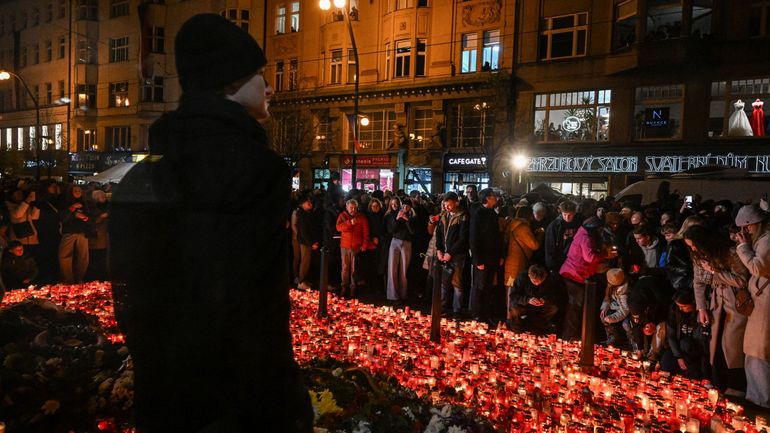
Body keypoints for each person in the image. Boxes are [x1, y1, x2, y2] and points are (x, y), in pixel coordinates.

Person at [109, 14, 312, 433]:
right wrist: (285, 402)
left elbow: (132, 292)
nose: (270, 87)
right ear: (230, 81)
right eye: (260, 75)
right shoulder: (257, 169)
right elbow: (258, 304)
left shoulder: (147, 172)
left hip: (167, 390)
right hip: (238, 400)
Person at [684, 224, 749, 396]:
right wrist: (701, 308)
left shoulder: (730, 252)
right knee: (715, 345)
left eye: (694, 245)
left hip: (734, 303)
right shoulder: (698, 256)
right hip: (716, 304)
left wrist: (715, 271)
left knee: (732, 346)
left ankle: (736, 387)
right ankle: (718, 383)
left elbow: (742, 280)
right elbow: (698, 282)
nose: (693, 249)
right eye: (690, 246)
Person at [734, 204, 770, 408]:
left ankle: (762, 401)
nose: (745, 231)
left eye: (747, 227)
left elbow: (758, 267)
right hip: (760, 301)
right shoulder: (761, 239)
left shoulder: (767, 241)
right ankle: (756, 396)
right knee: (754, 351)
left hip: (765, 303)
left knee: (760, 351)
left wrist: (742, 247)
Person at [559, 216, 611, 340]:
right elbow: (590, 257)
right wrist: (604, 255)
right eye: (599, 229)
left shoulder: (583, 234)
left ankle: (572, 335)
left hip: (576, 273)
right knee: (575, 307)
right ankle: (570, 336)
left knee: (576, 306)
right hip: (574, 274)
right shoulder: (585, 238)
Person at [469, 188, 504, 322]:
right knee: (480, 286)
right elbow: (474, 238)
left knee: (488, 286)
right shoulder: (478, 213)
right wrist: (478, 259)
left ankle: (485, 313)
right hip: (482, 257)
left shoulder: (493, 213)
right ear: (487, 198)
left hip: (492, 257)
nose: (495, 198)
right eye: (493, 196)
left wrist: (500, 255)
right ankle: (477, 313)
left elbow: (497, 237)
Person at [661, 289, 710, 380]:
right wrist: (678, 356)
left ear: (693, 303)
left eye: (683, 306)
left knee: (686, 344)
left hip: (695, 350)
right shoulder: (675, 311)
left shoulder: (701, 314)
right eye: (678, 306)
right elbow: (671, 336)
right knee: (666, 360)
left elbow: (703, 341)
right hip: (680, 349)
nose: (680, 309)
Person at [436, 192, 469, 317]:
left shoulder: (463, 216)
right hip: (444, 253)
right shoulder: (443, 215)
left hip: (457, 254)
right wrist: (439, 249)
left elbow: (463, 238)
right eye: (445, 205)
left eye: (449, 205)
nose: (446, 207)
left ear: (456, 203)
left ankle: (457, 310)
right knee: (444, 283)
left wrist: (450, 252)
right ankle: (442, 307)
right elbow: (438, 234)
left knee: (457, 282)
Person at [507, 264, 560, 334]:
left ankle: (535, 326)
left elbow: (553, 295)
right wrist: (528, 300)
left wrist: (544, 300)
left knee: (553, 308)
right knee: (515, 310)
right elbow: (513, 296)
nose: (537, 284)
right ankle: (517, 329)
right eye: (535, 281)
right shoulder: (521, 278)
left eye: (541, 281)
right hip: (523, 304)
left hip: (539, 305)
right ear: (529, 276)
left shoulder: (549, 279)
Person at [385, 197, 418, 303]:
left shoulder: (413, 217)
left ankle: (403, 295)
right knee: (392, 269)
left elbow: (413, 231)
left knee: (403, 270)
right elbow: (391, 230)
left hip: (407, 242)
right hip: (395, 240)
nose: (405, 207)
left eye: (407, 206)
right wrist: (397, 219)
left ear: (410, 207)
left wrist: (407, 220)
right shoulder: (394, 214)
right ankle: (392, 295)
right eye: (403, 205)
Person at [336, 199, 370, 298]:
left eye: (355, 207)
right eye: (351, 207)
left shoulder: (362, 217)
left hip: (356, 246)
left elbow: (366, 232)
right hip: (345, 246)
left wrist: (364, 244)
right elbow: (338, 227)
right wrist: (349, 223)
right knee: (345, 268)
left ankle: (353, 288)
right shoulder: (342, 216)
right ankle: (344, 287)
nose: (353, 209)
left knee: (354, 269)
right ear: (347, 207)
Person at [59, 185, 91, 284]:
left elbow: (91, 217)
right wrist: (72, 209)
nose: (77, 192)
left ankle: (79, 278)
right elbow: (62, 218)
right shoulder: (65, 203)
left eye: (79, 190)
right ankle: (68, 279)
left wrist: (85, 218)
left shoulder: (85, 203)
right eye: (75, 190)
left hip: (82, 232)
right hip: (69, 232)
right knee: (64, 255)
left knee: (83, 256)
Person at [544, 200, 579, 272]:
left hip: (573, 260)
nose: (567, 217)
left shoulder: (578, 224)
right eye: (564, 214)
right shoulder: (554, 226)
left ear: (574, 213)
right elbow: (550, 246)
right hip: (559, 261)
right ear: (561, 213)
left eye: (570, 215)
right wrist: (552, 266)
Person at [600, 268, 630, 346]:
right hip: (615, 307)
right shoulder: (611, 287)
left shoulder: (623, 293)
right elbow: (607, 298)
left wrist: (611, 318)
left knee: (626, 324)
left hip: (624, 312)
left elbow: (625, 310)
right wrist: (605, 308)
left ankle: (631, 343)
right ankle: (611, 338)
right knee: (603, 316)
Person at [295, 194, 319, 287]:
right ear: (303, 204)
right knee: (305, 261)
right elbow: (303, 232)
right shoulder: (302, 215)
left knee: (307, 261)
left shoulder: (307, 213)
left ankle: (305, 279)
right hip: (305, 242)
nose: (310, 204)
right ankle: (301, 281)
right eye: (308, 203)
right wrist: (311, 243)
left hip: (308, 241)